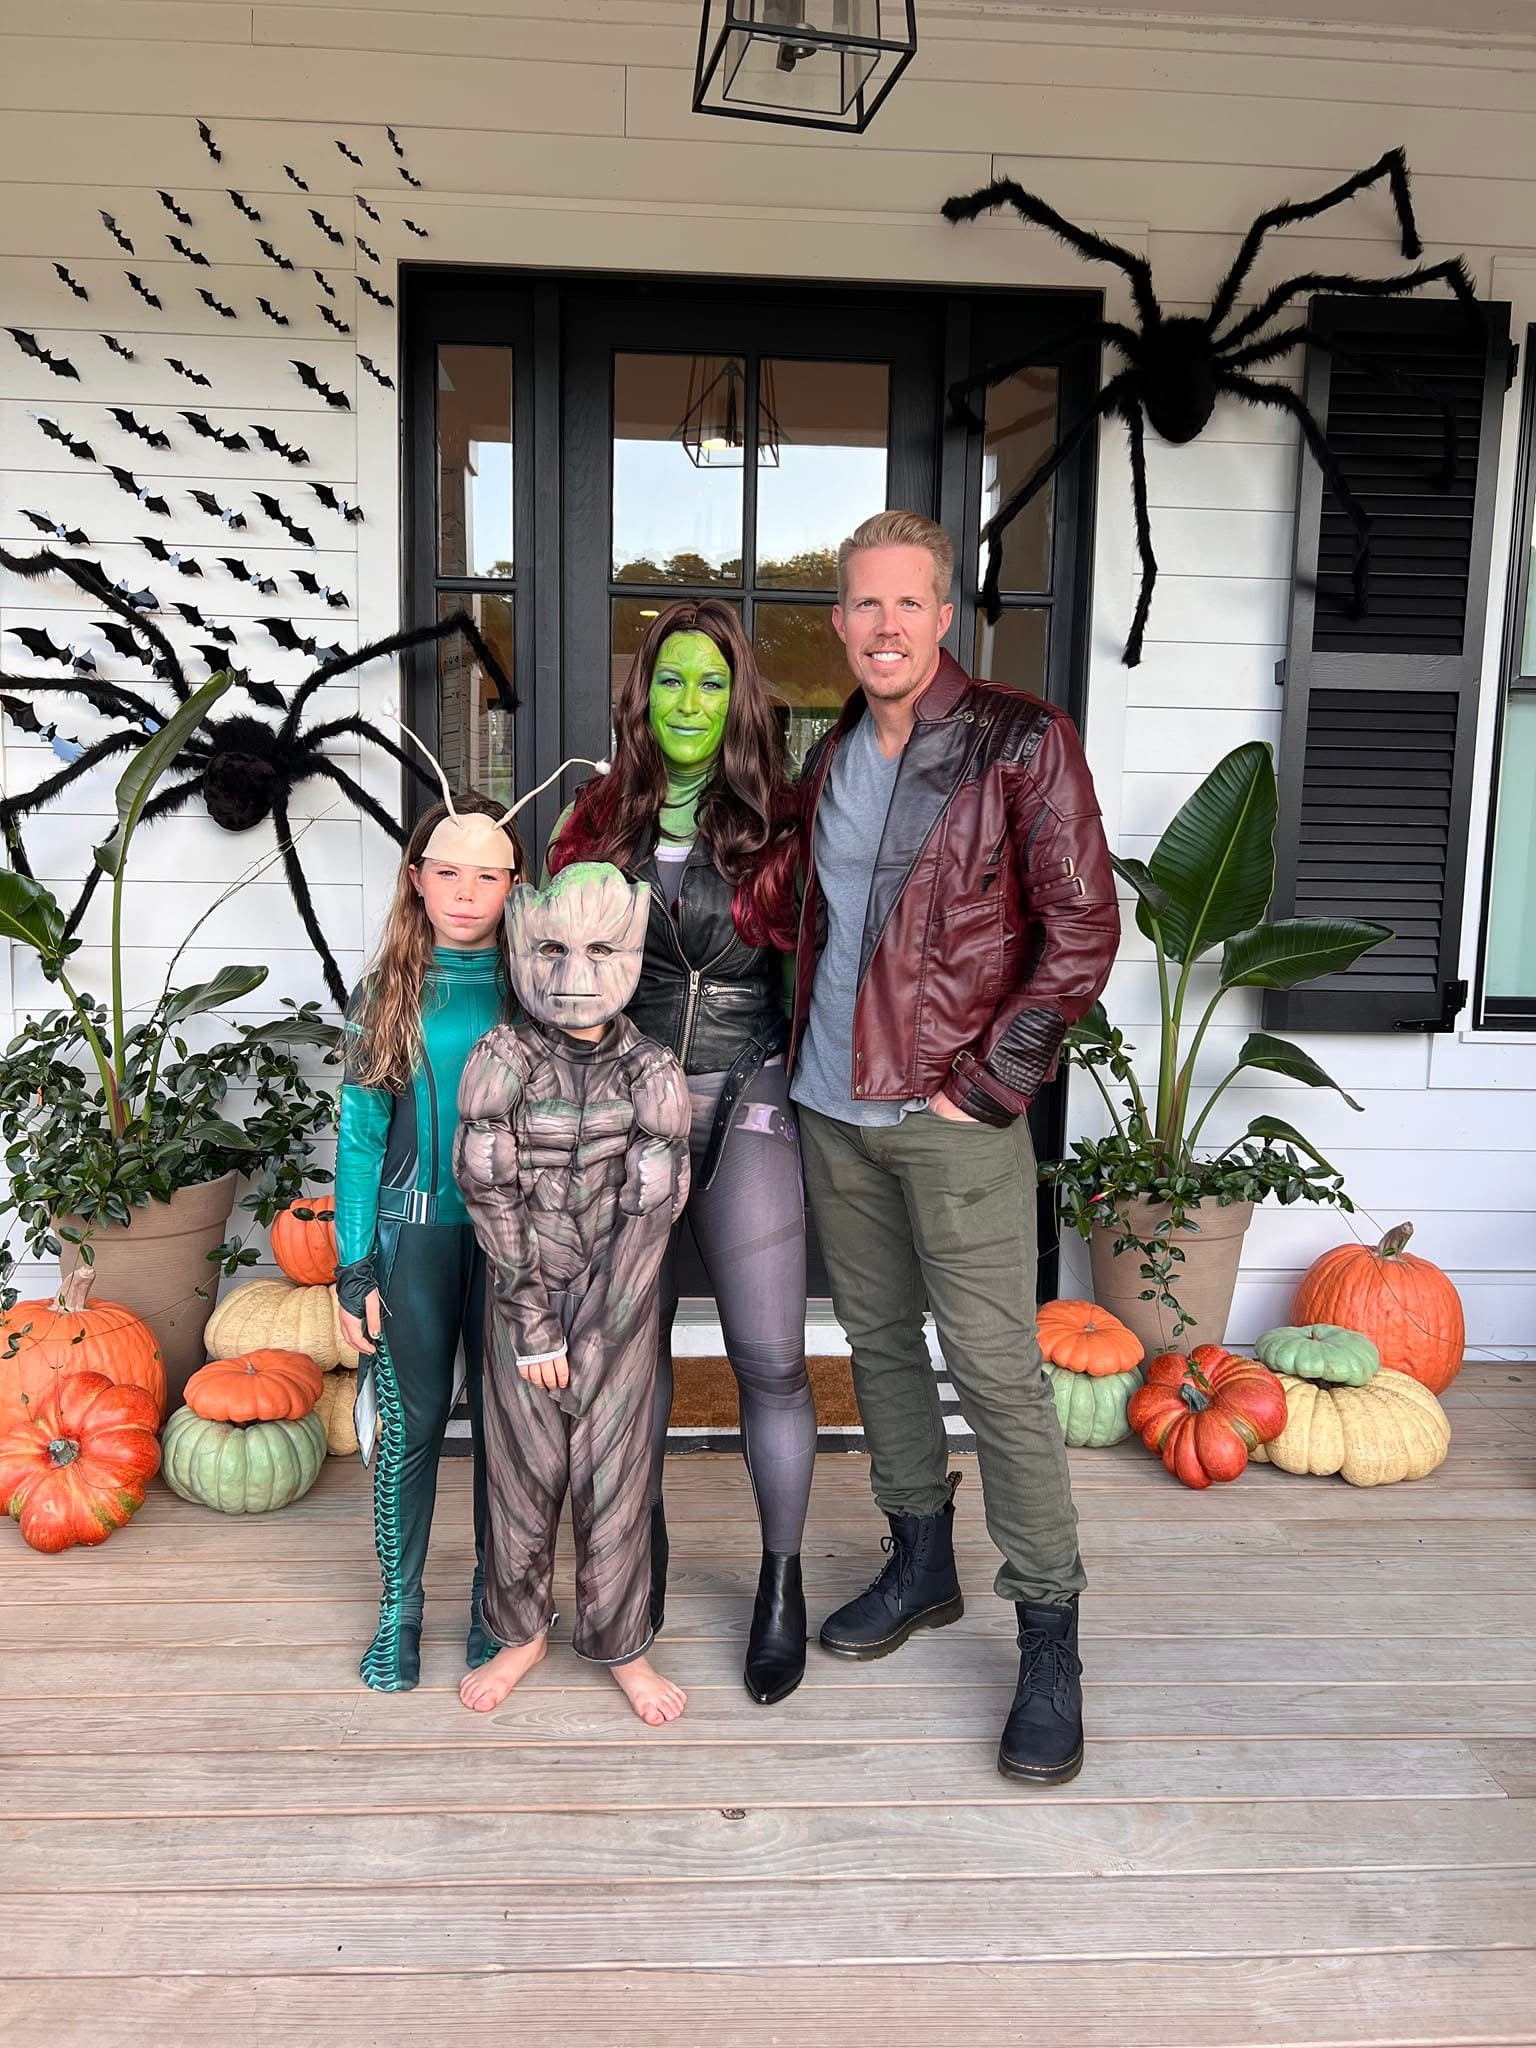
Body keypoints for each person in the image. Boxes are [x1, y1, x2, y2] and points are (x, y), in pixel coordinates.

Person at [789, 510, 1120, 1784]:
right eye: (862, 606)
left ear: (944, 617)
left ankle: (1049, 1636)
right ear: (842, 625)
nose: (884, 627)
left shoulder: (1019, 742)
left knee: (995, 1370)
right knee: (875, 1345)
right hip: (832, 1107)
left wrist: (993, 1084)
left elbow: (1081, 929)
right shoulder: (833, 752)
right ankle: (921, 1562)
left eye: (907, 605)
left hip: (953, 1116)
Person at [547, 599, 814, 1706]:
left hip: (746, 1092)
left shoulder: (785, 823)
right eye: (670, 681)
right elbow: (553, 977)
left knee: (770, 1357)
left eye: (711, 682)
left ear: (739, 695)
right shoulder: (592, 820)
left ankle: (782, 1581)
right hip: (624, 1115)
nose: (690, 702)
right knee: (628, 1355)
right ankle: (631, 1566)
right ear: (642, 697)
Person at [453, 862, 693, 1725]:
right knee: (522, 1478)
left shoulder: (654, 1071)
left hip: (618, 1312)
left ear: (633, 950)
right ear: (519, 946)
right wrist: (535, 1327)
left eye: (600, 949)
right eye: (550, 949)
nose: (573, 977)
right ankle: (519, 1631)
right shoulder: (501, 1059)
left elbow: (652, 1209)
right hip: (526, 1307)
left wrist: (601, 1333)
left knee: (617, 1481)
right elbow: (490, 1190)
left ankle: (622, 1643)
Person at [336, 790, 523, 1694]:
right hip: (413, 1244)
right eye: (448, 872)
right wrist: (353, 1265)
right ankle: (400, 1609)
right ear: (417, 879)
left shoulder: (536, 987)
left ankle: (497, 1601)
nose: (465, 892)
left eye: (487, 875)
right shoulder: (389, 992)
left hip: (511, 1246)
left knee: (506, 1429)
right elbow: (363, 1138)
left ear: (513, 884)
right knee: (409, 1428)